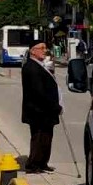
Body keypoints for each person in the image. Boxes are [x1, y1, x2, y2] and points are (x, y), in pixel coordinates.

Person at [21, 40, 62, 174]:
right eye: (42, 48)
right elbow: (39, 92)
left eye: (45, 48)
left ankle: (43, 162)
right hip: (38, 111)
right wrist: (54, 106)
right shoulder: (31, 67)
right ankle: (33, 164)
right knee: (38, 138)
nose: (45, 50)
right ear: (33, 51)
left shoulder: (40, 65)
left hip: (46, 111)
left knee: (46, 137)